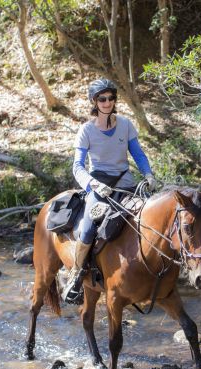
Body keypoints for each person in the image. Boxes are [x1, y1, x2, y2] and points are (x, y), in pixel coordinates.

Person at [63, 78, 157, 303]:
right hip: (99, 186)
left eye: (111, 98)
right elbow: (77, 166)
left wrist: (148, 174)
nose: (107, 102)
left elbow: (138, 154)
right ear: (94, 102)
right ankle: (76, 275)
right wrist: (93, 184)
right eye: (102, 99)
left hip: (126, 183)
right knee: (87, 229)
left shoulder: (125, 124)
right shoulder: (85, 130)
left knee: (152, 219)